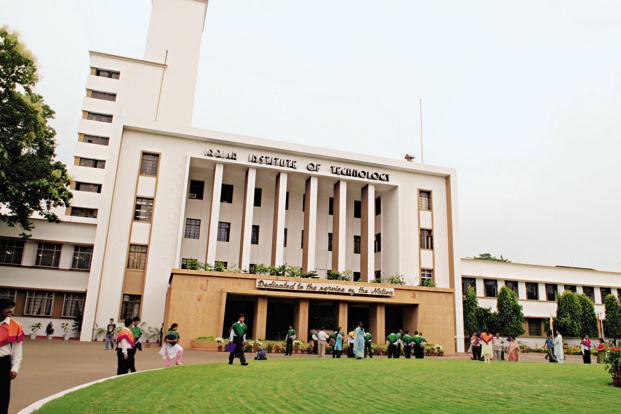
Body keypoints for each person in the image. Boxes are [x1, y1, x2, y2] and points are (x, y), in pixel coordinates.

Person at [0, 298, 23, 414]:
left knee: (3, 395)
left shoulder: (16, 326)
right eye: (7, 307)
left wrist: (15, 368)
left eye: (11, 307)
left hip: (3, 363)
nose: (10, 310)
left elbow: (17, 349)